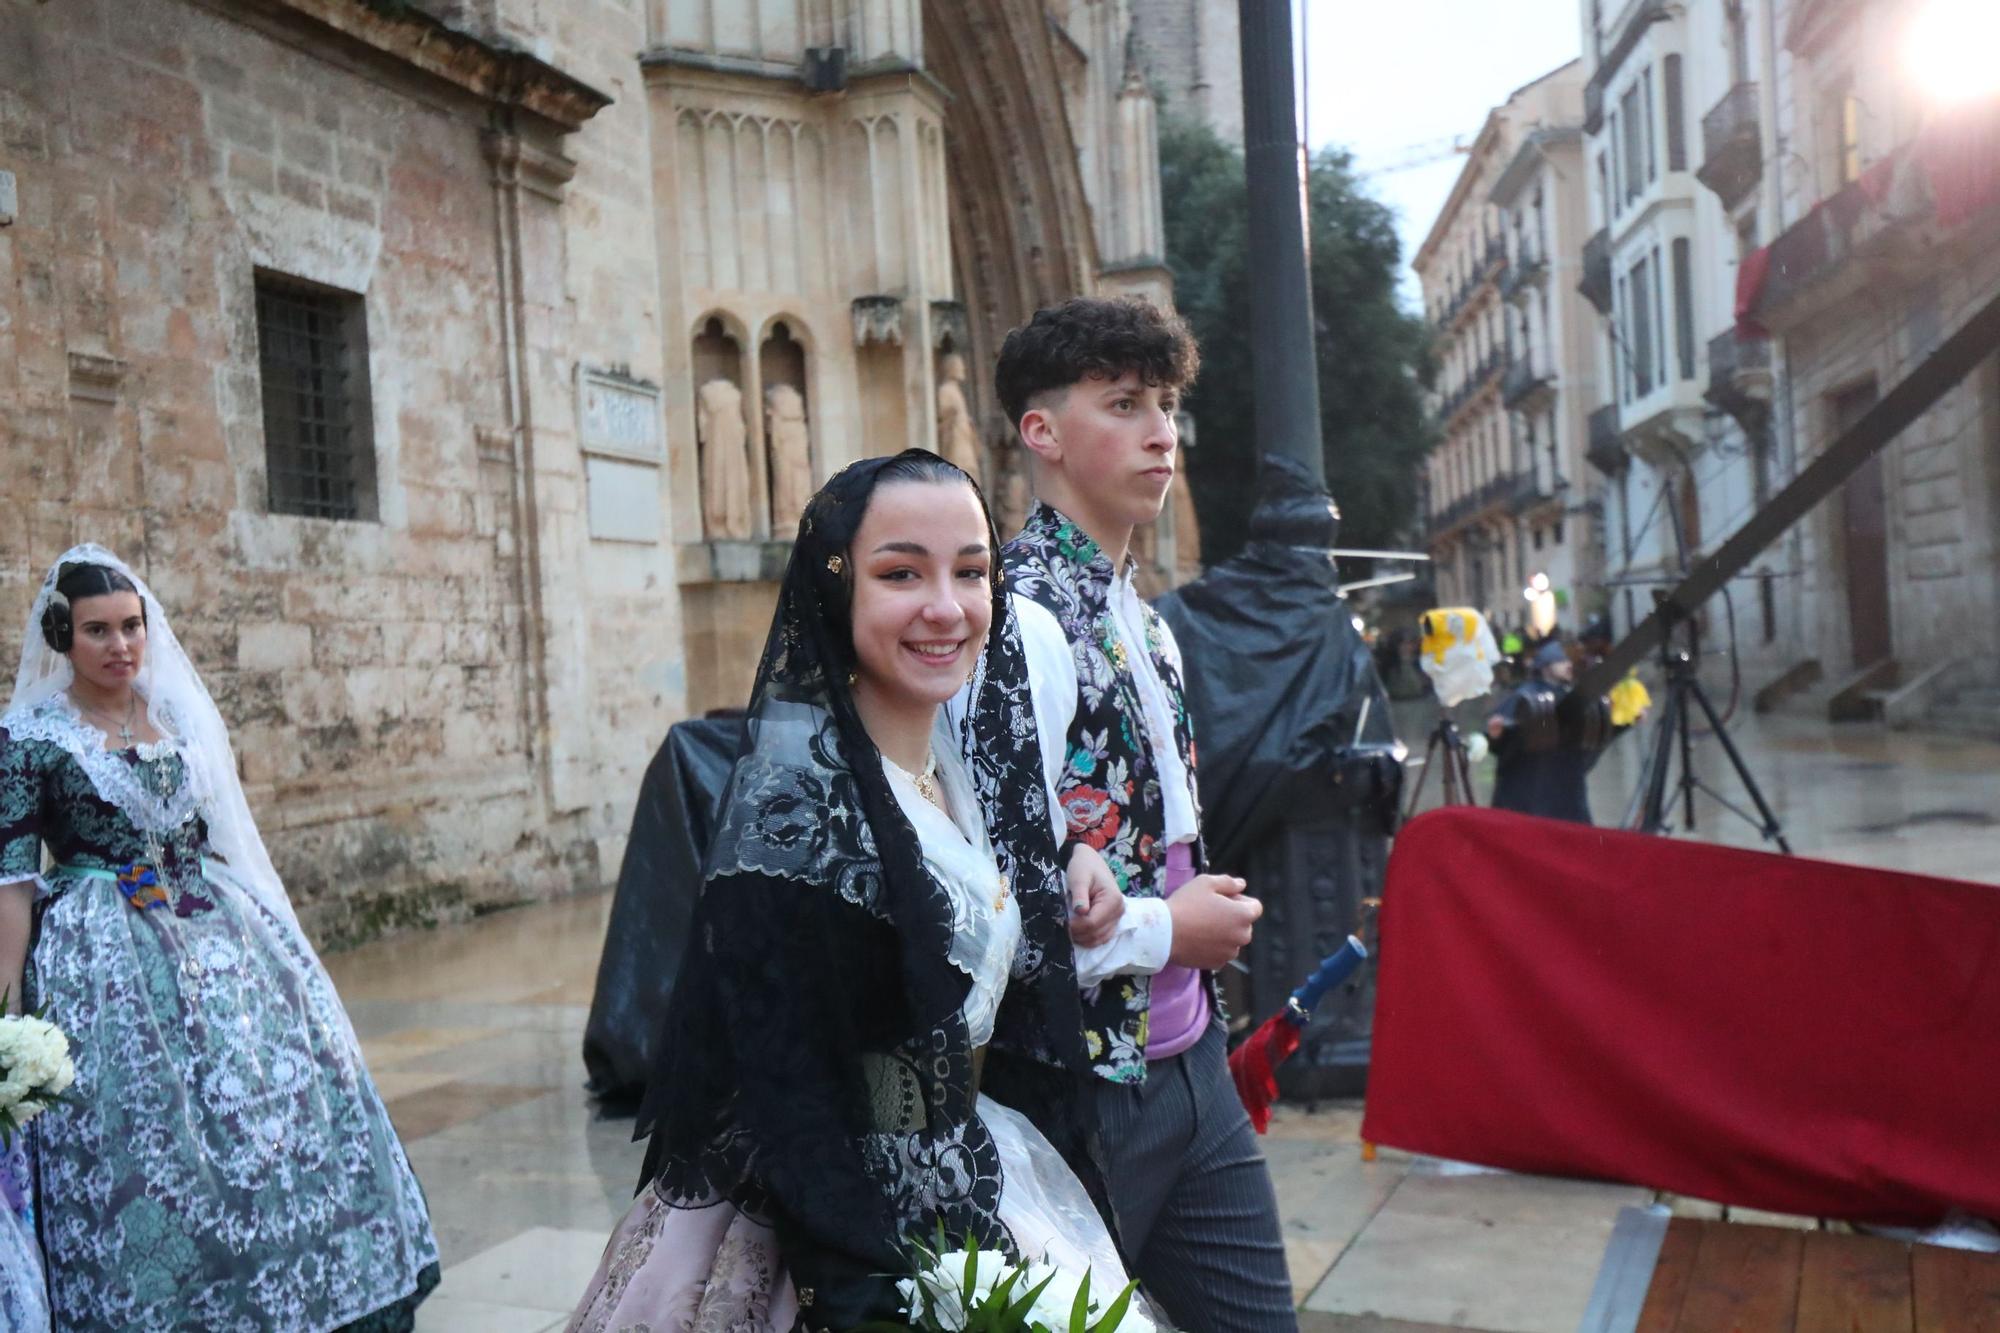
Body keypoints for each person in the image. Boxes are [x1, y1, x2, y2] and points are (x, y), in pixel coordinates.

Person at [569, 452, 1145, 1333]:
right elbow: (790, 1090)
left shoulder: (951, 761)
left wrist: (1071, 851)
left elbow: (983, 862)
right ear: (837, 588)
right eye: (901, 572)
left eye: (971, 572)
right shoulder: (799, 814)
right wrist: (871, 1295)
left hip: (968, 1163)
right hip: (830, 1225)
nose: (946, 606)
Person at [0, 546, 439, 1331]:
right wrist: (3, 1011)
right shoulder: (29, 737)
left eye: (131, 626)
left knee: (270, 1127)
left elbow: (219, 834)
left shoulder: (178, 713)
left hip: (222, 942)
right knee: (142, 1152)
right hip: (102, 966)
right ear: (63, 636)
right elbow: (11, 886)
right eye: (97, 631)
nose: (120, 646)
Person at [989, 296, 1297, 1333]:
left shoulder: (1148, 623)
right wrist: (1172, 929)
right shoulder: (1020, 618)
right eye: (1121, 404)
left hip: (1192, 1060)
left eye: (1164, 404)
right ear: (1041, 432)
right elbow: (1000, 893)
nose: (1160, 431)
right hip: (1078, 1087)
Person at [1485, 637, 1598, 823]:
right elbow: (1501, 739)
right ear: (1546, 666)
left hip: (1565, 785)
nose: (1568, 665)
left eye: (1568, 661)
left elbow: (1593, 733)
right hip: (1533, 786)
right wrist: (1496, 736)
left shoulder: (1573, 696)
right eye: (1561, 661)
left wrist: (1626, 720)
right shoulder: (1524, 697)